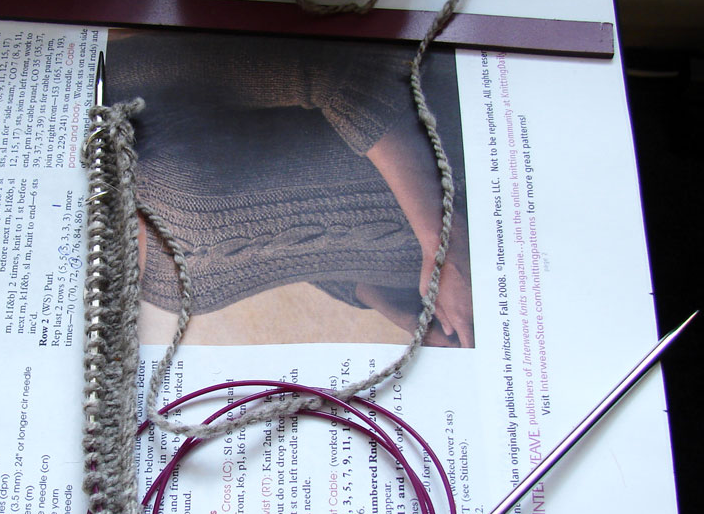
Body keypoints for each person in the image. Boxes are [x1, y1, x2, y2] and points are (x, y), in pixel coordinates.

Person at [107, 30, 474, 347]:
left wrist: (444, 242)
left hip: (471, 148)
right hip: (464, 278)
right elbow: (299, 252)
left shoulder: (116, 87)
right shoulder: (125, 289)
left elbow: (334, 74)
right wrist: (403, 314)